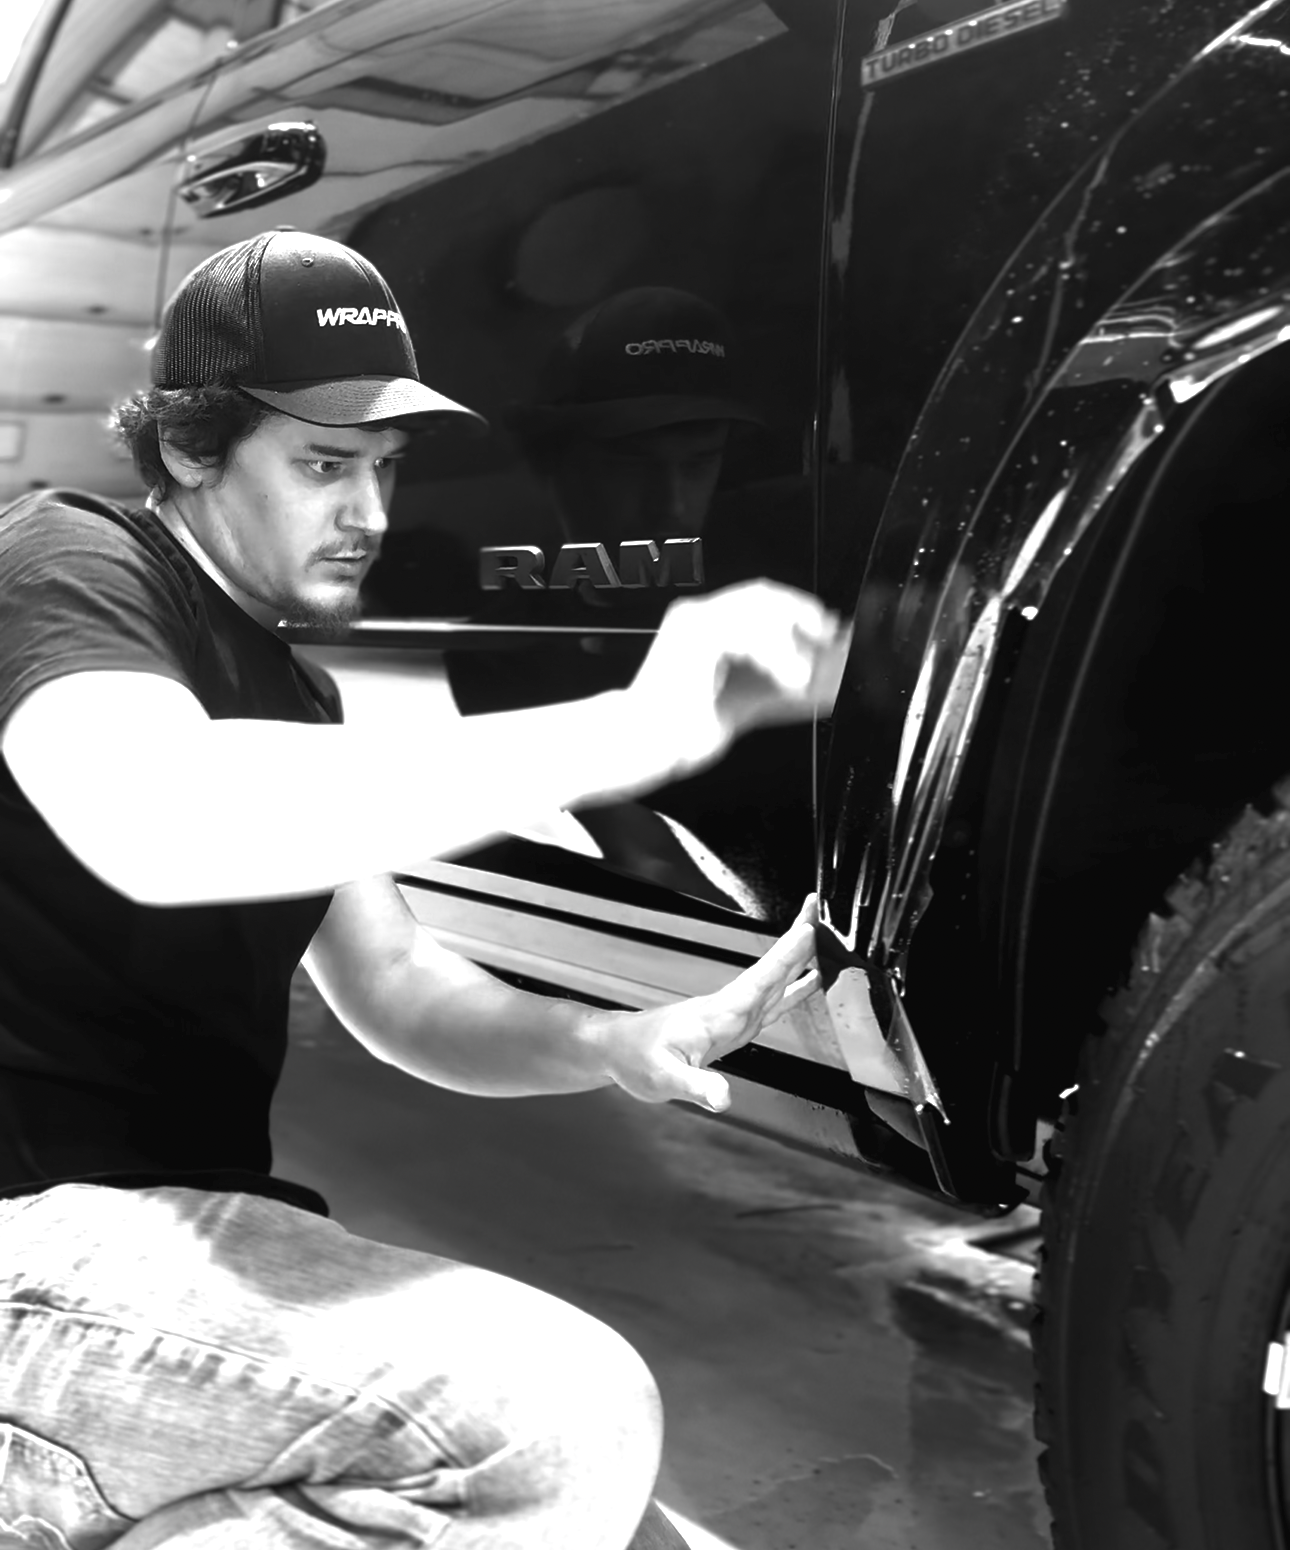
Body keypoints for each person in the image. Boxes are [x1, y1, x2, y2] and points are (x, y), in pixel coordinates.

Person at [0, 231, 849, 1550]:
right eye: (324, 465)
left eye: (384, 469)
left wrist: (613, 1039)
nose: (372, 513)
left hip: (164, 1266)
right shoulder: (64, 567)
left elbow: (396, 988)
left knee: (640, 1535)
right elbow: (154, 814)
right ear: (186, 448)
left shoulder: (298, 689)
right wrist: (634, 724)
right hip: (35, 1249)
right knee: (558, 1417)